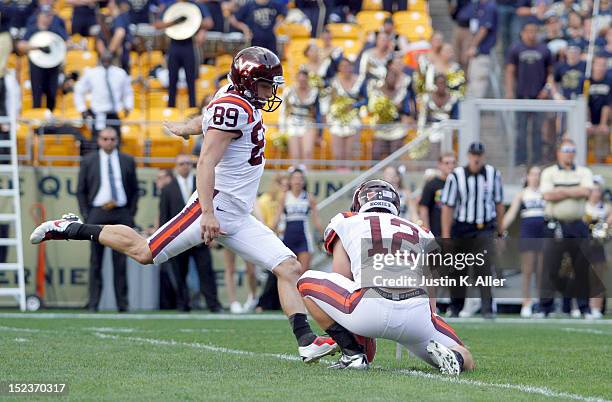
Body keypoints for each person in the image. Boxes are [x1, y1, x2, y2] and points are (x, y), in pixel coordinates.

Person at [31, 46, 337, 362]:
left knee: (288, 267)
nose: (269, 91)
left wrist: (184, 128)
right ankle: (71, 227)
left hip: (238, 214)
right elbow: (204, 162)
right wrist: (206, 213)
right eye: (264, 84)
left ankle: (306, 341)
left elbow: (205, 121)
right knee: (145, 252)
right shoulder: (235, 107)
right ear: (245, 81)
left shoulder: (234, 99)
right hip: (216, 205)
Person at [298, 179, 475, 372]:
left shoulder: (346, 221)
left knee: (305, 281)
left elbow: (342, 278)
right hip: (415, 313)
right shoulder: (421, 231)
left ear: (359, 204)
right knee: (464, 354)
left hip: (368, 307)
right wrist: (428, 322)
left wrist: (354, 335)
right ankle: (455, 359)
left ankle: (352, 353)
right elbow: (430, 289)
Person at [76, 127, 139, 312]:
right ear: (99, 140)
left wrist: (130, 214)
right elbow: (81, 190)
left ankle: (122, 304)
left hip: (121, 213)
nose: (109, 142)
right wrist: (87, 215)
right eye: (105, 138)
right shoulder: (89, 161)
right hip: (97, 213)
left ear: (117, 140)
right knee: (96, 260)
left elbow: (135, 190)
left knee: (120, 261)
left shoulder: (127, 160)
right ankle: (93, 303)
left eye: (112, 139)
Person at [440, 142, 504, 318]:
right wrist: (446, 236)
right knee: (458, 269)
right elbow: (448, 207)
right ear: (468, 156)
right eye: (473, 155)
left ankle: (487, 308)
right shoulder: (456, 176)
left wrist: (500, 232)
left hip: (484, 228)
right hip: (462, 228)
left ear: (483, 156)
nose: (476, 158)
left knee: (484, 268)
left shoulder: (493, 174)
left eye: (479, 155)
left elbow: (498, 204)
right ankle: (456, 307)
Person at [538, 138, 595, 318]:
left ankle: (584, 308)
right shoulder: (549, 172)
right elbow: (547, 195)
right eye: (565, 149)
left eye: (572, 149)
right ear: (558, 152)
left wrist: (560, 191)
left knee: (581, 267)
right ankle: (545, 307)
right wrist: (574, 191)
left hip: (578, 224)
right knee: (551, 267)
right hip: (556, 223)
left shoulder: (584, 171)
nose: (569, 153)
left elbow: (586, 192)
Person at [159, 154, 222, 312]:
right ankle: (183, 304)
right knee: (179, 273)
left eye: (188, 163)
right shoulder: (168, 189)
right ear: (176, 166)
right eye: (181, 163)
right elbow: (164, 215)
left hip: (200, 236)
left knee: (206, 272)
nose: (185, 166)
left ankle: (213, 305)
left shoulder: (201, 184)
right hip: (178, 237)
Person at [505, 22, 553, 166]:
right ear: (522, 32)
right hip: (521, 95)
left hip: (539, 96)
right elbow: (510, 71)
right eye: (528, 30)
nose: (531, 34)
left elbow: (550, 73)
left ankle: (537, 160)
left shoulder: (545, 49)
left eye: (534, 31)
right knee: (521, 130)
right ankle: (520, 160)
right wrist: (509, 92)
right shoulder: (515, 48)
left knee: (538, 130)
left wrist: (547, 89)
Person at [501, 166, 546, 318]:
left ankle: (540, 304)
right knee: (527, 270)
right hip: (528, 233)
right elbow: (511, 214)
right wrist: (499, 230)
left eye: (538, 174)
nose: (536, 177)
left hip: (543, 233)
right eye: (533, 174)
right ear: (527, 176)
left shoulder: (545, 193)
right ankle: (526, 302)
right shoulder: (522, 195)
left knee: (541, 271)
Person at [154, 0, 213, 108]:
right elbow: (157, 24)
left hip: (189, 44)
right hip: (174, 44)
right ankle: (171, 108)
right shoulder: (170, 5)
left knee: (191, 80)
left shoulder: (196, 5)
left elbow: (209, 23)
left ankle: (192, 108)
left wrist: (192, 21)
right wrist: (176, 21)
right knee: (172, 80)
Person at [74, 51, 134, 142]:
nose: (106, 59)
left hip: (114, 114)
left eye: (108, 57)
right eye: (104, 57)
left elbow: (128, 92)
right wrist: (82, 109)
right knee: (97, 143)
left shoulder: (120, 73)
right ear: (100, 58)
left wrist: (128, 106)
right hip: (98, 115)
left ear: (112, 59)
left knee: (115, 143)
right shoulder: (92, 73)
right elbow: (79, 89)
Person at [17, 8, 68, 111]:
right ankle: (36, 118)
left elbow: (66, 42)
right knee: (37, 94)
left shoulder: (55, 29)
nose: (47, 19)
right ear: (39, 16)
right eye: (45, 16)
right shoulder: (32, 30)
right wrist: (39, 47)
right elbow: (21, 45)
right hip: (37, 65)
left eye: (49, 16)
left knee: (52, 93)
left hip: (53, 65)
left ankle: (50, 119)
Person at [273, 167, 323, 272]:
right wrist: (273, 230)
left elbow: (316, 220)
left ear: (304, 181)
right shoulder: (285, 197)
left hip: (304, 239)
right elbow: (276, 218)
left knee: (303, 274)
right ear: (290, 181)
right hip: (287, 238)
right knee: (288, 274)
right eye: (295, 178)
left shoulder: (309, 197)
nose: (297, 181)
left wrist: (324, 234)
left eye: (300, 178)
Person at [320, 57, 366, 165]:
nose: (346, 69)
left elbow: (366, 99)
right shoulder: (333, 82)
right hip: (336, 120)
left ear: (352, 67)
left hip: (353, 119)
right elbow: (325, 99)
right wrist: (325, 115)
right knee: (337, 155)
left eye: (348, 66)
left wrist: (354, 105)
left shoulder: (360, 80)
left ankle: (351, 178)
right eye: (343, 66)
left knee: (350, 155)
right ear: (339, 68)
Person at [367, 57, 414, 161]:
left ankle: (393, 175)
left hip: (397, 128)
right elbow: (370, 109)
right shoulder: (377, 92)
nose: (391, 79)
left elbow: (407, 111)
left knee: (395, 154)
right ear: (385, 78)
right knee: (376, 153)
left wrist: (401, 108)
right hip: (380, 127)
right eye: (389, 77)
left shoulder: (403, 93)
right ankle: (375, 176)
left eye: (394, 77)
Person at [255, 173, 288, 312]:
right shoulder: (265, 201)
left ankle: (276, 302)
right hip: (272, 237)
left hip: (287, 237)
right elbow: (266, 223)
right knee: (273, 273)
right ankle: (263, 302)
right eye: (282, 185)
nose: (285, 188)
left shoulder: (287, 199)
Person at [279, 68, 320, 162]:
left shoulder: (314, 92)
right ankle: (295, 174)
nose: (302, 82)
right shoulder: (288, 91)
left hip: (308, 123)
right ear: (297, 79)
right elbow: (283, 110)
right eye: (300, 80)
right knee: (295, 154)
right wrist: (282, 129)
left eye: (304, 80)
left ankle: (308, 174)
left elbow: (318, 112)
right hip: (292, 123)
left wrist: (319, 132)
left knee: (307, 153)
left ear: (307, 80)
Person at [583, 176, 610, 320]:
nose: (596, 193)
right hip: (585, 245)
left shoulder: (606, 208)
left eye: (598, 190)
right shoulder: (582, 207)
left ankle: (596, 308)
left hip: (598, 246)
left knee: (598, 277)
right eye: (593, 190)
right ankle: (582, 307)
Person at [465, 0, 497, 99]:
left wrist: (472, 46)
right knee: (471, 85)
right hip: (475, 54)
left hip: (482, 53)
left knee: (478, 86)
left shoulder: (490, 6)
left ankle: (474, 113)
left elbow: (483, 29)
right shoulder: (477, 6)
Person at [419, 152, 456, 237]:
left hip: (456, 232)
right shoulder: (432, 184)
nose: (450, 166)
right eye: (446, 163)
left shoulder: (458, 183)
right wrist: (427, 232)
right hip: (436, 232)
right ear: (439, 165)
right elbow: (423, 208)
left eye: (453, 163)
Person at [585, 56, 611, 164]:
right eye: (598, 64)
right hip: (587, 119)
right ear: (593, 66)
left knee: (602, 133)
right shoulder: (586, 82)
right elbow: (584, 104)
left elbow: (607, 104)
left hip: (603, 120)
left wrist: (602, 124)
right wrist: (588, 122)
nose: (601, 68)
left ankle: (600, 165)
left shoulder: (609, 82)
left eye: (603, 65)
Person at [97, 0, 133, 73]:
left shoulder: (120, 18)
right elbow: (100, 39)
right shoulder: (109, 20)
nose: (107, 5)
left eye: (109, 2)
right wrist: (104, 54)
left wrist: (109, 52)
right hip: (109, 61)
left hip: (120, 61)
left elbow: (120, 33)